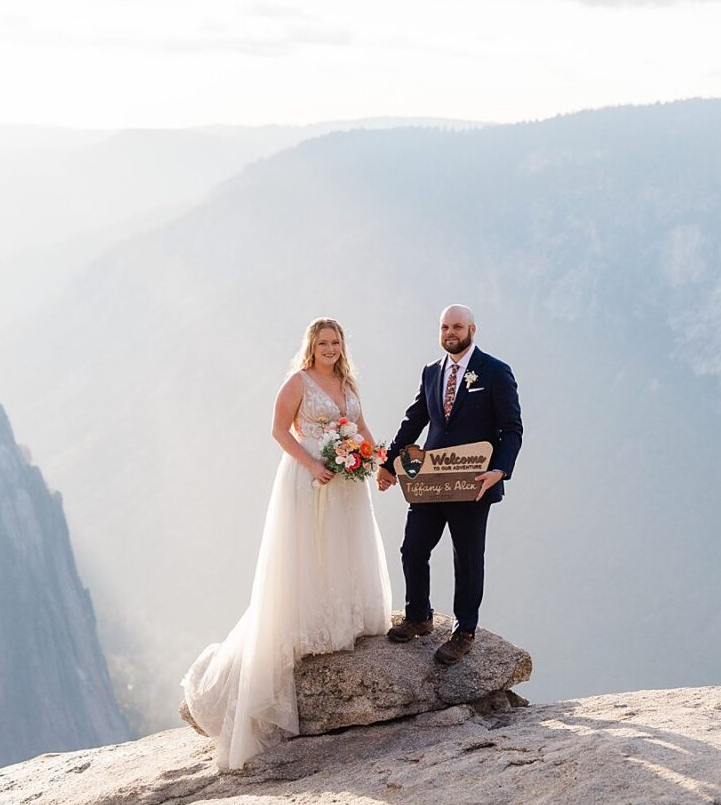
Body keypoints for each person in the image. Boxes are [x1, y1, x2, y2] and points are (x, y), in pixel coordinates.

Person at [181, 318, 393, 770]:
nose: (330, 349)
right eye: (323, 343)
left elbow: (362, 426)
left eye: (336, 342)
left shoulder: (346, 382)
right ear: (311, 347)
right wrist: (314, 463)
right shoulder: (298, 382)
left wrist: (379, 463)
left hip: (346, 483)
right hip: (309, 479)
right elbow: (279, 431)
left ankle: (345, 614)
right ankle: (304, 622)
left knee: (343, 549)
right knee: (308, 551)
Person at [376, 304, 522, 665]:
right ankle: (418, 617)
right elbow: (414, 421)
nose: (450, 333)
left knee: (467, 558)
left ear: (472, 329)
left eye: (457, 327)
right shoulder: (431, 372)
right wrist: (389, 464)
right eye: (444, 328)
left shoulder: (495, 372)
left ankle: (464, 631)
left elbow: (512, 430)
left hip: (474, 483)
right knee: (413, 548)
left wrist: (499, 471)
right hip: (429, 480)